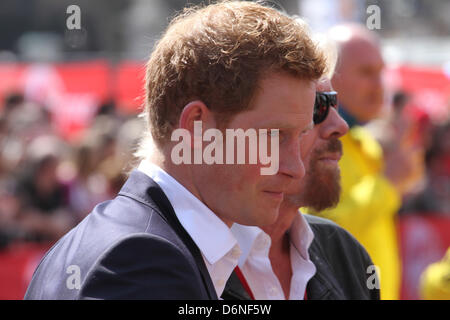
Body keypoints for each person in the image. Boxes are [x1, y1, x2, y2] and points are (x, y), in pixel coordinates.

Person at [24, 1, 327, 299]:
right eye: (273, 137)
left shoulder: (130, 245)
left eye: (300, 135)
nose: (296, 167)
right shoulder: (141, 262)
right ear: (197, 127)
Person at [223, 75, 379, 300]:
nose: (340, 126)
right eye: (316, 106)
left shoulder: (346, 254)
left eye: (333, 103)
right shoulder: (182, 256)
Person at [305, 24, 418, 300]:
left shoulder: (367, 143)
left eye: (381, 72)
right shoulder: (308, 144)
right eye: (367, 72)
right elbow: (315, 231)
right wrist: (387, 185)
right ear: (328, 77)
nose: (379, 85)